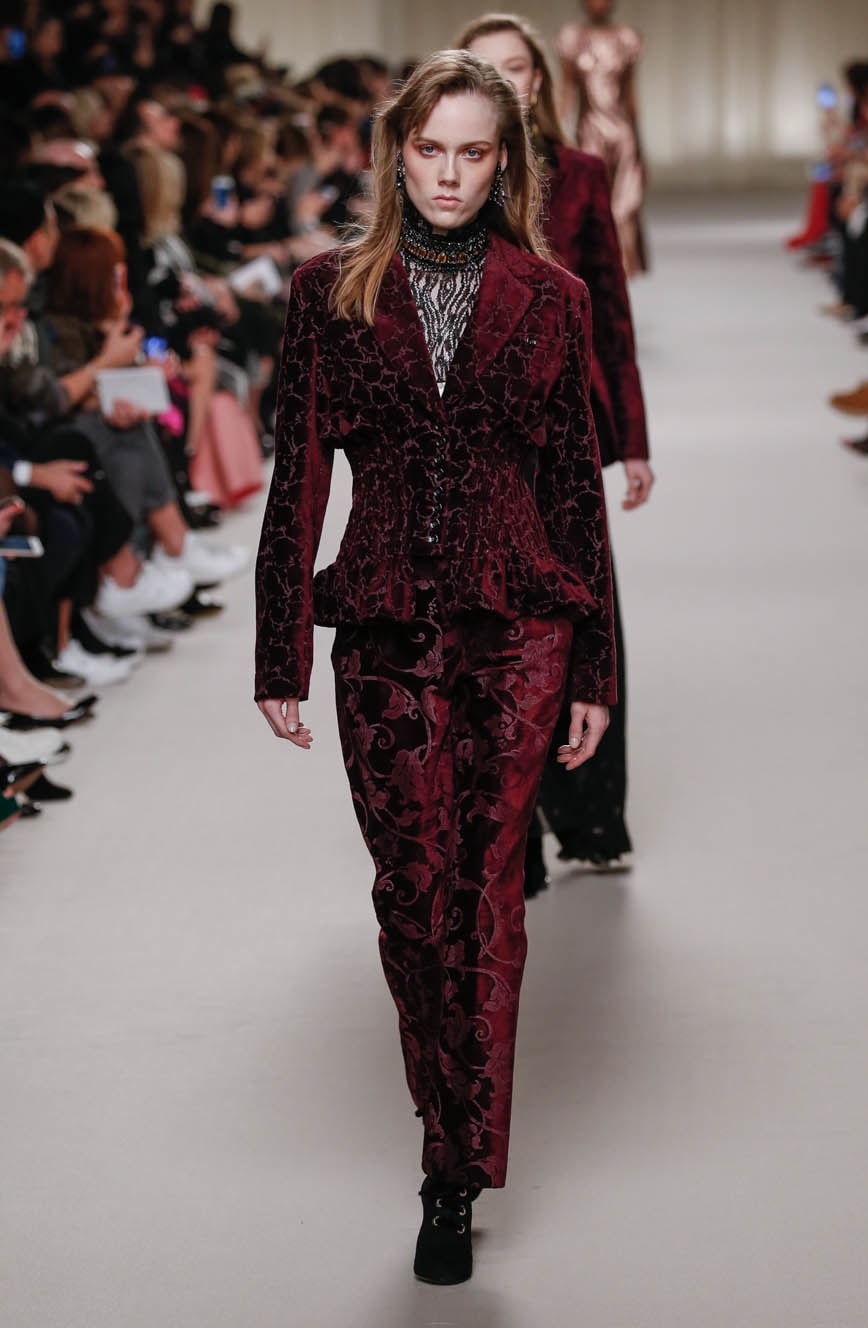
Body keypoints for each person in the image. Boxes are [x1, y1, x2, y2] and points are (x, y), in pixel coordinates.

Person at [255, 50, 616, 1285]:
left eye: (473, 151)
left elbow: (574, 493)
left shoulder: (552, 296)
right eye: (430, 149)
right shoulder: (327, 293)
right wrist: (280, 646)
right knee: (410, 889)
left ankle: (453, 1169)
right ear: (395, 154)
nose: (450, 174)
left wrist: (595, 667)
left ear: (504, 160)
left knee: (486, 887)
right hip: (384, 624)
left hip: (521, 624)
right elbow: (298, 475)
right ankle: (445, 1100)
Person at [457, 13, 654, 887]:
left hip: (565, 427)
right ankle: (510, 836)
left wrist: (633, 439)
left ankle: (588, 814)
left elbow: (612, 313)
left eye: (518, 66)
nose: (506, 80)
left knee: (582, 611)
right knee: (488, 625)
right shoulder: (445, 176)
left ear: (540, 77)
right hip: (472, 435)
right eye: (486, 67)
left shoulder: (578, 176)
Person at [556, 0, 647, 276]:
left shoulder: (626, 39)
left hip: (623, 134)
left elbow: (630, 94)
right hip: (589, 133)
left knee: (625, 205)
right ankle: (596, 272)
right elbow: (567, 92)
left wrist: (641, 146)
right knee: (591, 204)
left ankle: (620, 276)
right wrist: (555, 135)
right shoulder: (572, 40)